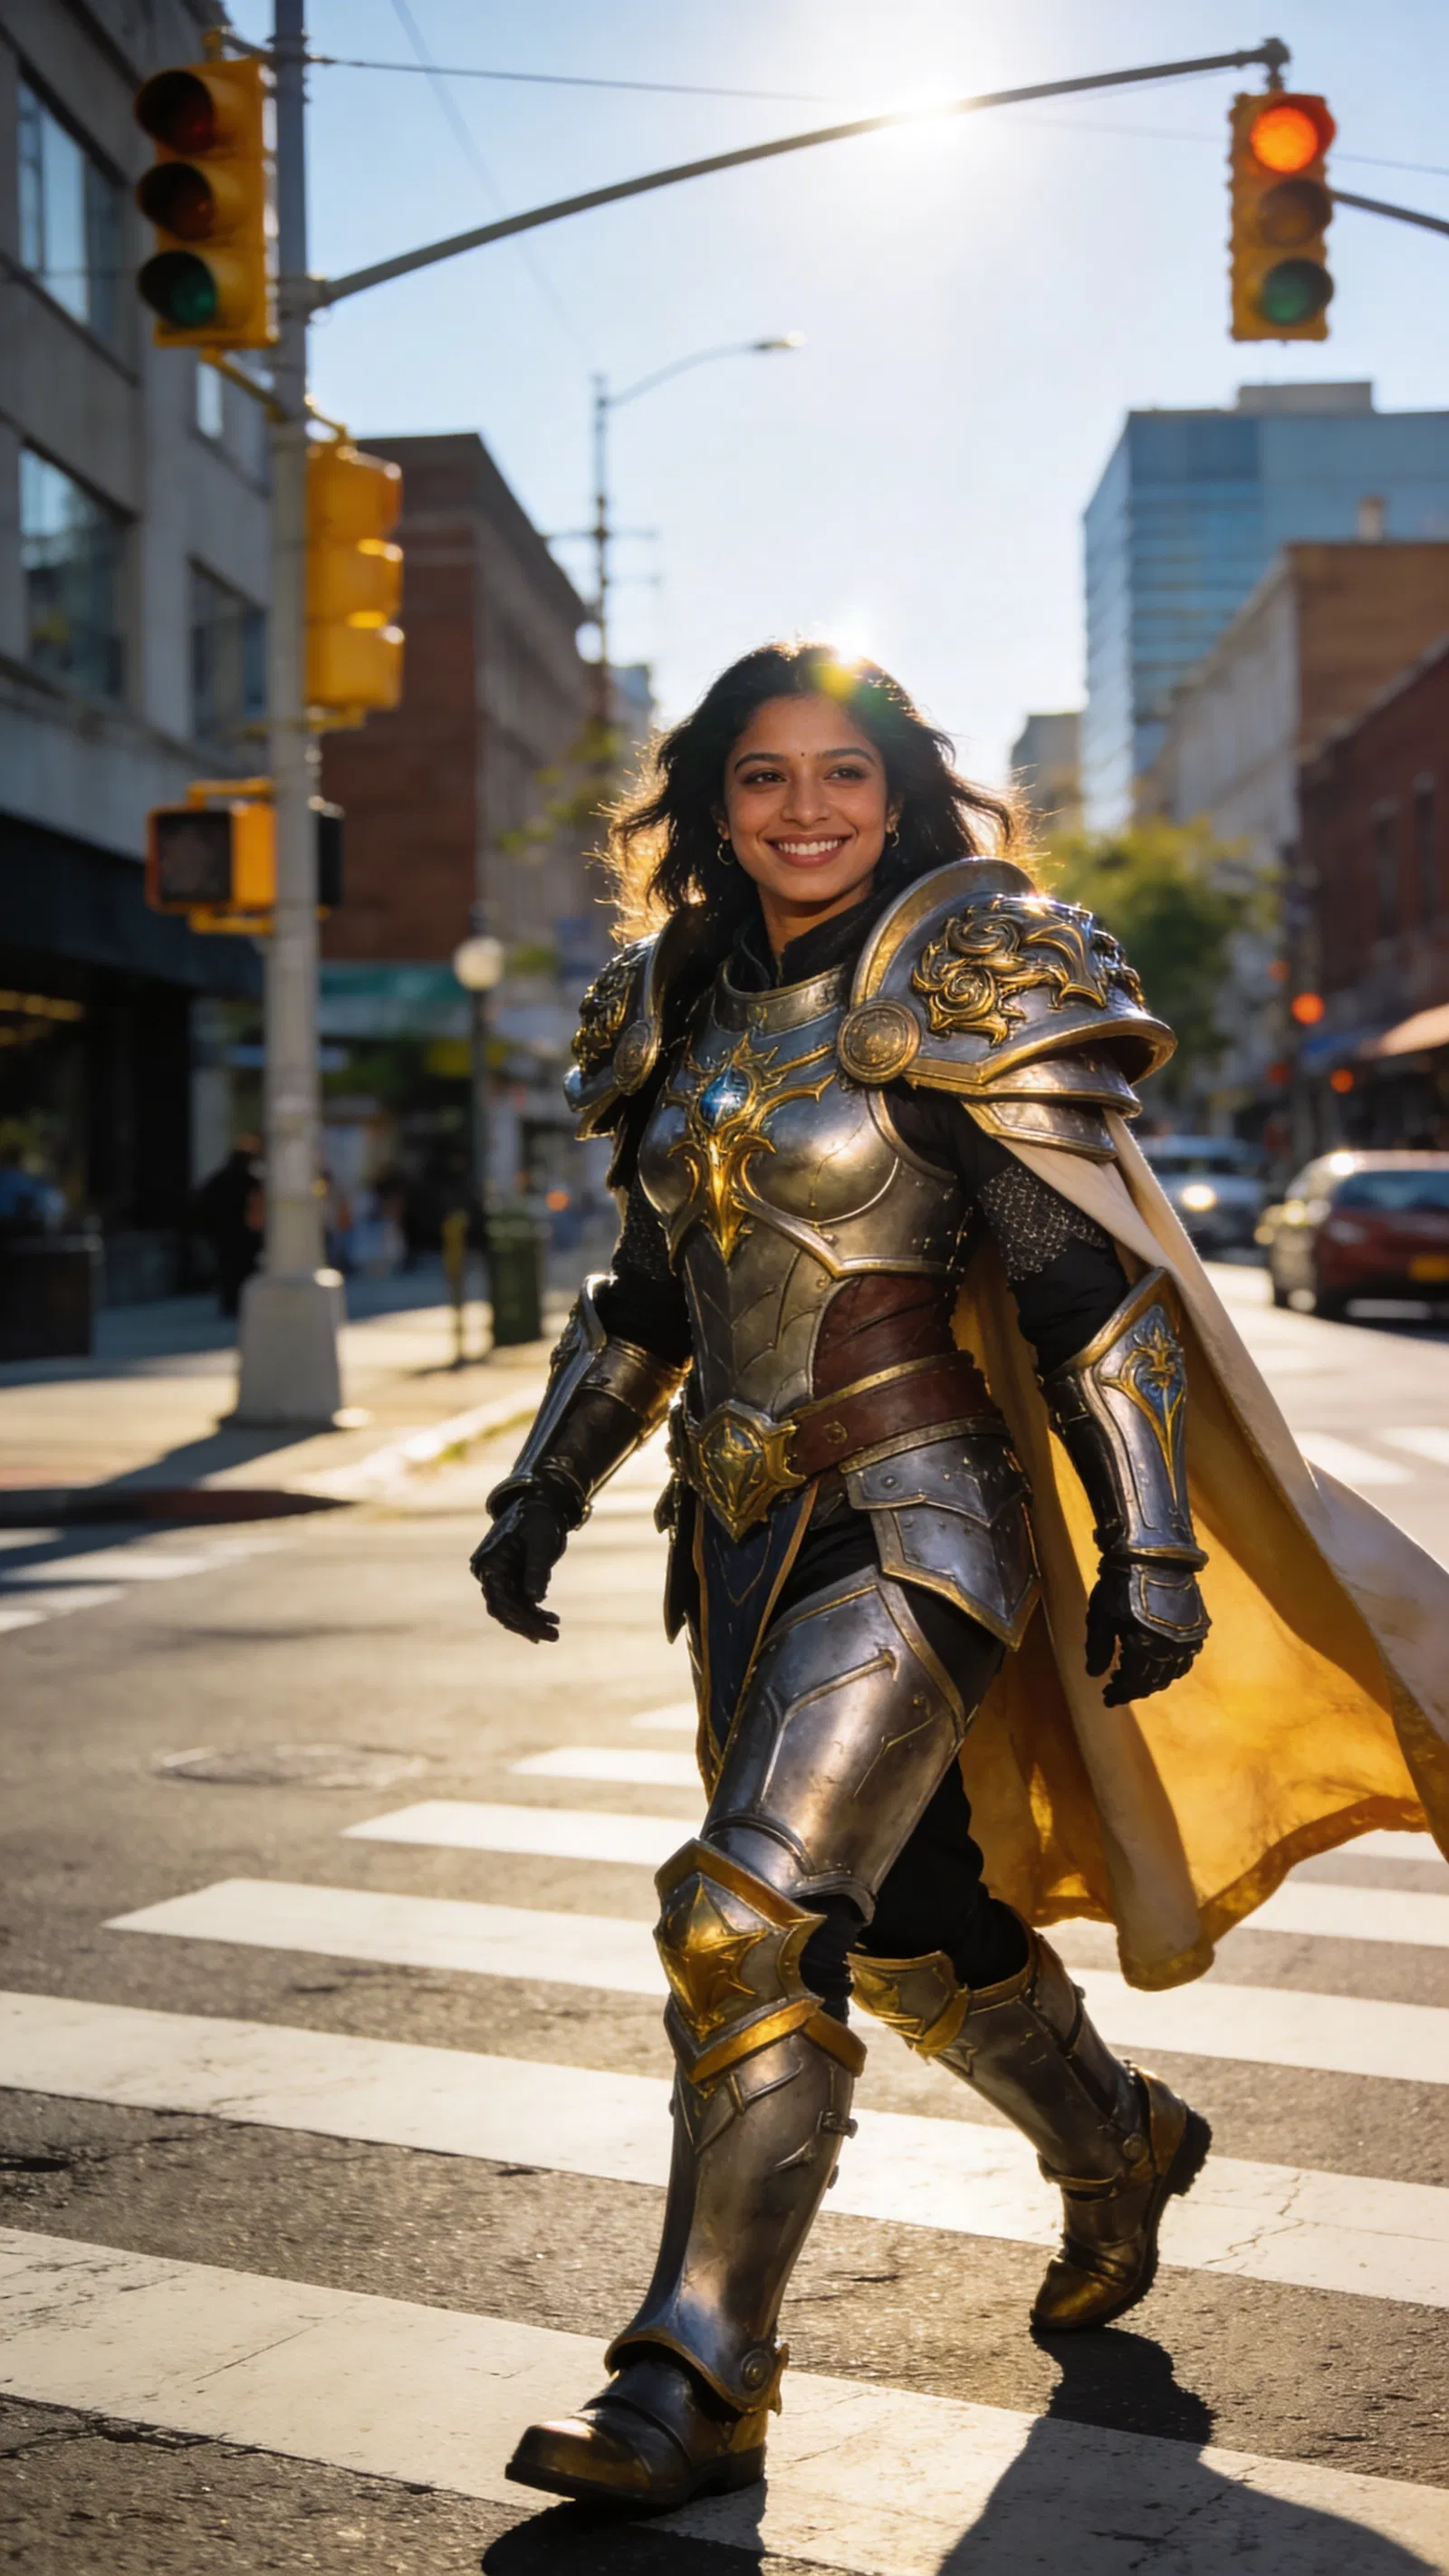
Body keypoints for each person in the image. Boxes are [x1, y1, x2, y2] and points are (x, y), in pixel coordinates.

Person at [472, 644, 1449, 2514]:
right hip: (734, 1541)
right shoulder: (664, 1005)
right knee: (900, 1925)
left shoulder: (971, 977)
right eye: (761, 778)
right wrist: (543, 1486)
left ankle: (693, 2375)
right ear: (708, 802)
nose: (804, 809)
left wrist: (1148, 1543)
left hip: (917, 1526)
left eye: (842, 771)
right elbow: (649, 1297)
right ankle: (1116, 2139)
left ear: (901, 786)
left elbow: (1091, 1294)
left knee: (737, 1923)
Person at [195, 1136, 263, 1318]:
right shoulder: (250, 1181)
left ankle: (230, 1303)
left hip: (223, 1234)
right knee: (243, 1269)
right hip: (243, 1235)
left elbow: (203, 1205)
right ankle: (239, 1303)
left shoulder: (218, 1180)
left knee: (228, 1269)